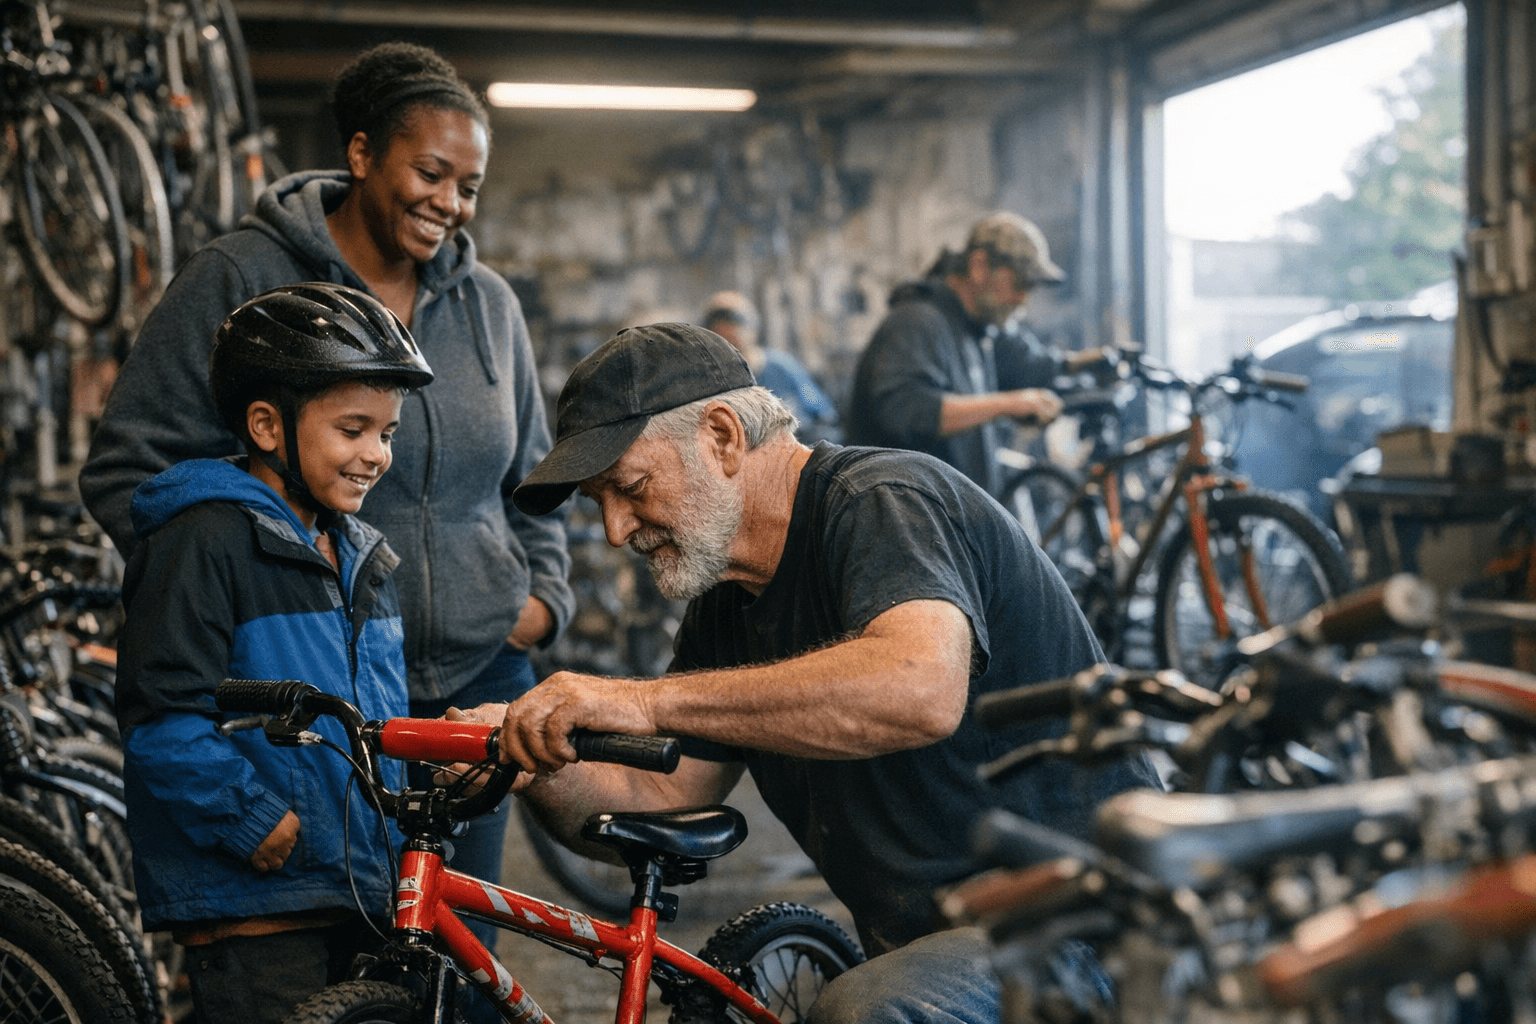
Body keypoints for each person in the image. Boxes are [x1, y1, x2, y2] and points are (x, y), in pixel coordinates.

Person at [465, 323, 1156, 1023]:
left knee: (862, 1013)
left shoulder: (883, 500)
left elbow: (920, 689)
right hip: (944, 943)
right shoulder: (724, 607)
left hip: (1086, 926)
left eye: (631, 486)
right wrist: (534, 761)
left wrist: (646, 702)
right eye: (599, 502)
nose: (616, 529)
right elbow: (661, 794)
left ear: (724, 437)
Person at [79, 43, 573, 990]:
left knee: (460, 972)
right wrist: (236, 600)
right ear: (360, 155)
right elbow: (130, 470)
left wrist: (540, 602)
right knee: (317, 972)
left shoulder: (489, 306)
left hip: (469, 688)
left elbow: (533, 482)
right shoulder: (240, 276)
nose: (450, 202)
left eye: (469, 185)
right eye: (430, 172)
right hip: (295, 713)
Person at [115, 284, 432, 1024]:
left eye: (386, 433)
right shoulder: (204, 540)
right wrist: (249, 817)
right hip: (256, 900)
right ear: (266, 425)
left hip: (356, 887)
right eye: (352, 429)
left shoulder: (359, 555)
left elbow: (374, 717)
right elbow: (160, 715)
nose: (376, 455)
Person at [848, 210, 1106, 500]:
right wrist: (1007, 405)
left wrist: (1081, 366)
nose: (1023, 299)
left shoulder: (975, 327)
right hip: (903, 522)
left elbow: (1024, 363)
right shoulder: (916, 322)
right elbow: (908, 411)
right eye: (1019, 284)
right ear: (980, 267)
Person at [703, 290, 841, 443]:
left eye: (734, 323)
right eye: (720, 327)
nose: (729, 333)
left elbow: (824, 416)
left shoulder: (781, 367)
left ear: (751, 327)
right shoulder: (710, 382)